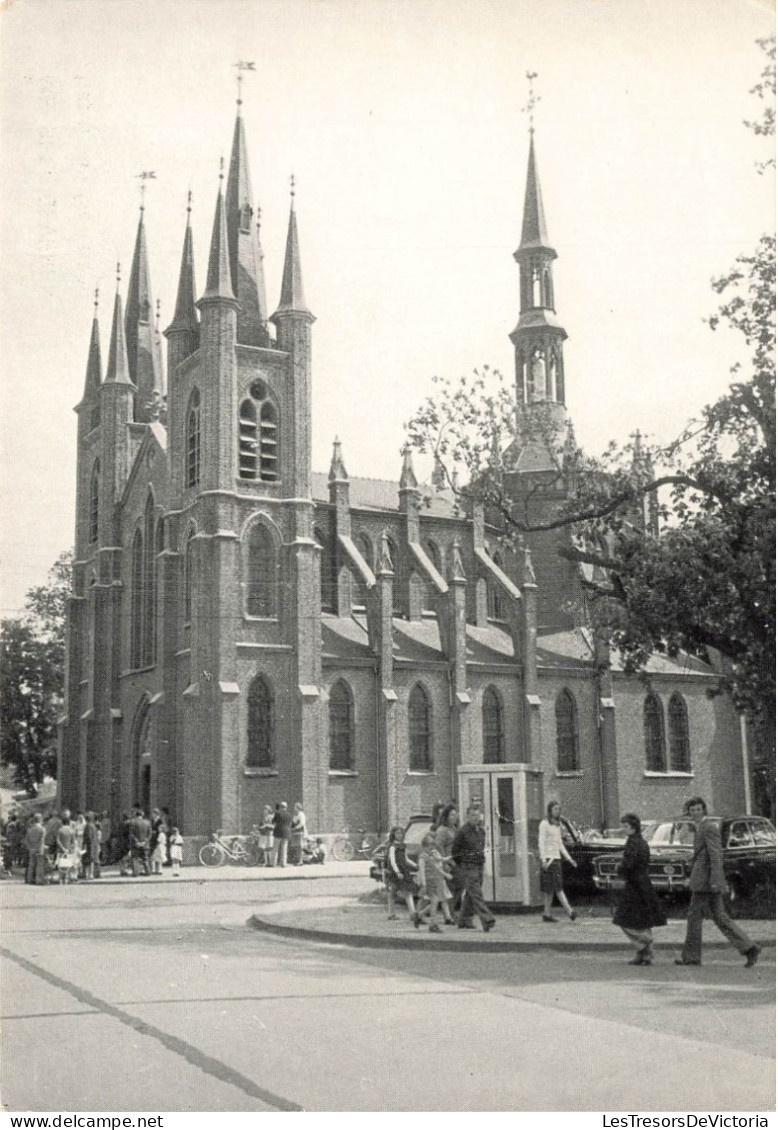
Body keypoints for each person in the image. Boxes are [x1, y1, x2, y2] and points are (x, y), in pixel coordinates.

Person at [675, 797, 761, 968]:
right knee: (720, 917)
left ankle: (691, 957)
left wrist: (715, 880)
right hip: (705, 879)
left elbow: (715, 855)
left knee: (694, 916)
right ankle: (749, 948)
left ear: (704, 810)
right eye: (692, 810)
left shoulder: (708, 827)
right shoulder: (699, 827)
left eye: (698, 810)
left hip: (705, 881)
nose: (695, 813)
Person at [611, 812, 666, 964]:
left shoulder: (633, 843)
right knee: (641, 920)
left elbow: (630, 863)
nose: (623, 829)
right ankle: (644, 953)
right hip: (643, 884)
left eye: (626, 826)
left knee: (623, 918)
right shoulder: (641, 842)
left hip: (634, 886)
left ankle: (645, 943)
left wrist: (619, 866)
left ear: (633, 827)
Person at [451, 807, 496, 932]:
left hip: (479, 865)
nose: (475, 818)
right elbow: (455, 851)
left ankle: (464, 919)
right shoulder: (462, 832)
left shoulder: (481, 831)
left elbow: (482, 848)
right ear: (467, 817)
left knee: (471, 893)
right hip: (468, 866)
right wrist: (462, 864)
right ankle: (487, 919)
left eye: (477, 815)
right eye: (472, 815)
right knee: (476, 893)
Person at [538, 800, 578, 923]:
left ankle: (547, 913)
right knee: (557, 888)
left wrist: (569, 859)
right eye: (555, 809)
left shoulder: (557, 825)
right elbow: (541, 842)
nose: (558, 811)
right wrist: (543, 860)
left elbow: (560, 844)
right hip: (549, 860)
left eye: (559, 809)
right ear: (550, 810)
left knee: (550, 888)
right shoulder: (544, 824)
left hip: (556, 859)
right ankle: (570, 912)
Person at [416, 833, 454, 932]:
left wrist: (445, 875)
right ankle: (433, 924)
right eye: (430, 845)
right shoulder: (423, 856)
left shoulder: (432, 855)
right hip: (429, 882)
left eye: (433, 845)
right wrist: (423, 884)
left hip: (436, 881)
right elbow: (422, 870)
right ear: (425, 846)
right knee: (435, 901)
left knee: (435, 902)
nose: (432, 848)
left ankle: (420, 915)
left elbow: (437, 867)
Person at [384, 826, 419, 922]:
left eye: (401, 833)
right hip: (395, 872)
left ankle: (411, 914)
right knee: (393, 893)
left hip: (404, 871)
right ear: (393, 835)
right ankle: (393, 913)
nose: (400, 835)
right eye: (397, 833)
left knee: (405, 892)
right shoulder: (392, 846)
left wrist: (416, 865)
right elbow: (392, 861)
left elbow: (406, 859)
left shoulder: (403, 846)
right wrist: (397, 871)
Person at [24, 813, 47, 885]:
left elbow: (26, 841)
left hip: (32, 849)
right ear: (40, 820)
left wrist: (30, 848)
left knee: (31, 865)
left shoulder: (30, 829)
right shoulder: (42, 829)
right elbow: (42, 840)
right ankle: (39, 880)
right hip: (39, 849)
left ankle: (30, 879)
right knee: (39, 866)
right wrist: (41, 849)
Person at [130, 807, 151, 876]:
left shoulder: (133, 822)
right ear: (142, 815)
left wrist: (137, 842)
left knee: (135, 858)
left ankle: (136, 873)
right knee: (145, 858)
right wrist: (145, 841)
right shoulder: (148, 822)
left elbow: (131, 833)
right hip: (145, 844)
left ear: (136, 815)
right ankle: (147, 872)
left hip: (136, 844)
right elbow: (150, 833)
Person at [55, 816, 76, 885]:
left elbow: (58, 840)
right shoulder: (72, 831)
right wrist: (69, 849)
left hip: (61, 850)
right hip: (69, 850)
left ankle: (60, 879)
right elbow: (73, 842)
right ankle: (66, 879)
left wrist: (62, 848)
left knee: (61, 864)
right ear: (69, 823)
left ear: (62, 822)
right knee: (67, 864)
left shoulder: (60, 830)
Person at [82, 812, 101, 880]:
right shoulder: (93, 826)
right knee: (92, 860)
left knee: (88, 861)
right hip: (94, 845)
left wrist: (85, 846)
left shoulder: (88, 826)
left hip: (89, 845)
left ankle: (88, 875)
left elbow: (89, 837)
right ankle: (91, 874)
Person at [272, 802, 292, 868]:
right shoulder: (289, 814)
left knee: (275, 848)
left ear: (280, 807)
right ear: (286, 807)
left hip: (278, 832)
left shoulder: (277, 813)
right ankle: (283, 863)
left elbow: (273, 822)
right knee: (284, 848)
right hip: (286, 832)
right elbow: (290, 823)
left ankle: (274, 863)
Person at [290, 802, 307, 866]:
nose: (294, 809)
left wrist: (295, 828)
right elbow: (293, 822)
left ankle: (300, 861)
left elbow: (302, 823)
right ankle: (297, 860)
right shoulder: (295, 815)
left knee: (300, 846)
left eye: (296, 807)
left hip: (300, 832)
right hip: (295, 833)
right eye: (294, 807)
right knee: (296, 846)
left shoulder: (301, 814)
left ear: (298, 808)